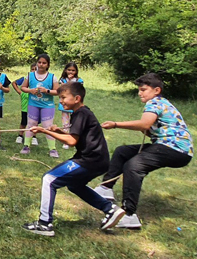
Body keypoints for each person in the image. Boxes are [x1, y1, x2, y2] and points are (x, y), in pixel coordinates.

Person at [22, 82, 125, 236]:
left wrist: (44, 130)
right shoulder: (81, 113)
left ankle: (44, 224)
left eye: (63, 97)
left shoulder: (82, 113)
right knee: (75, 185)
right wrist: (57, 131)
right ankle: (110, 210)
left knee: (49, 179)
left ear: (77, 98)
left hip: (89, 160)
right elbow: (73, 137)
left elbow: (71, 141)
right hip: (98, 161)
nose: (61, 100)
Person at [93, 73, 194, 230]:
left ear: (156, 90)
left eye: (143, 90)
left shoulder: (155, 102)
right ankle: (106, 188)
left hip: (175, 149)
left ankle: (129, 215)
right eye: (139, 90)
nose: (140, 93)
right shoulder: (161, 103)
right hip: (168, 146)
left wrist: (115, 124)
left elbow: (144, 124)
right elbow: (149, 129)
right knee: (122, 151)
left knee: (133, 166)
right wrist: (146, 129)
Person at [20, 54, 60, 157]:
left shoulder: (52, 77)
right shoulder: (30, 75)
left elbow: (57, 91)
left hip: (47, 105)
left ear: (48, 65)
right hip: (33, 104)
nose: (41, 65)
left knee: (47, 126)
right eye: (39, 62)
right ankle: (26, 146)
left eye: (44, 63)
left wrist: (47, 91)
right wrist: (30, 90)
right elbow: (23, 87)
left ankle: (52, 149)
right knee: (31, 124)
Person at [58, 62, 83, 149]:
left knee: (74, 122)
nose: (71, 72)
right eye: (69, 70)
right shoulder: (63, 80)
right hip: (64, 105)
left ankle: (74, 138)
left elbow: (79, 91)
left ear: (76, 71)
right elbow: (61, 90)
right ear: (65, 70)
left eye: (73, 70)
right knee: (65, 123)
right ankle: (66, 140)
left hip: (75, 106)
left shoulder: (79, 81)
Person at [11, 63, 38, 146]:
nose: (34, 71)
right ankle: (20, 135)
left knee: (34, 122)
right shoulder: (25, 79)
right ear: (30, 70)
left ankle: (34, 137)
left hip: (35, 104)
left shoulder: (40, 81)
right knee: (24, 121)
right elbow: (14, 83)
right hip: (25, 105)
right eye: (32, 69)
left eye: (36, 69)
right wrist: (20, 92)